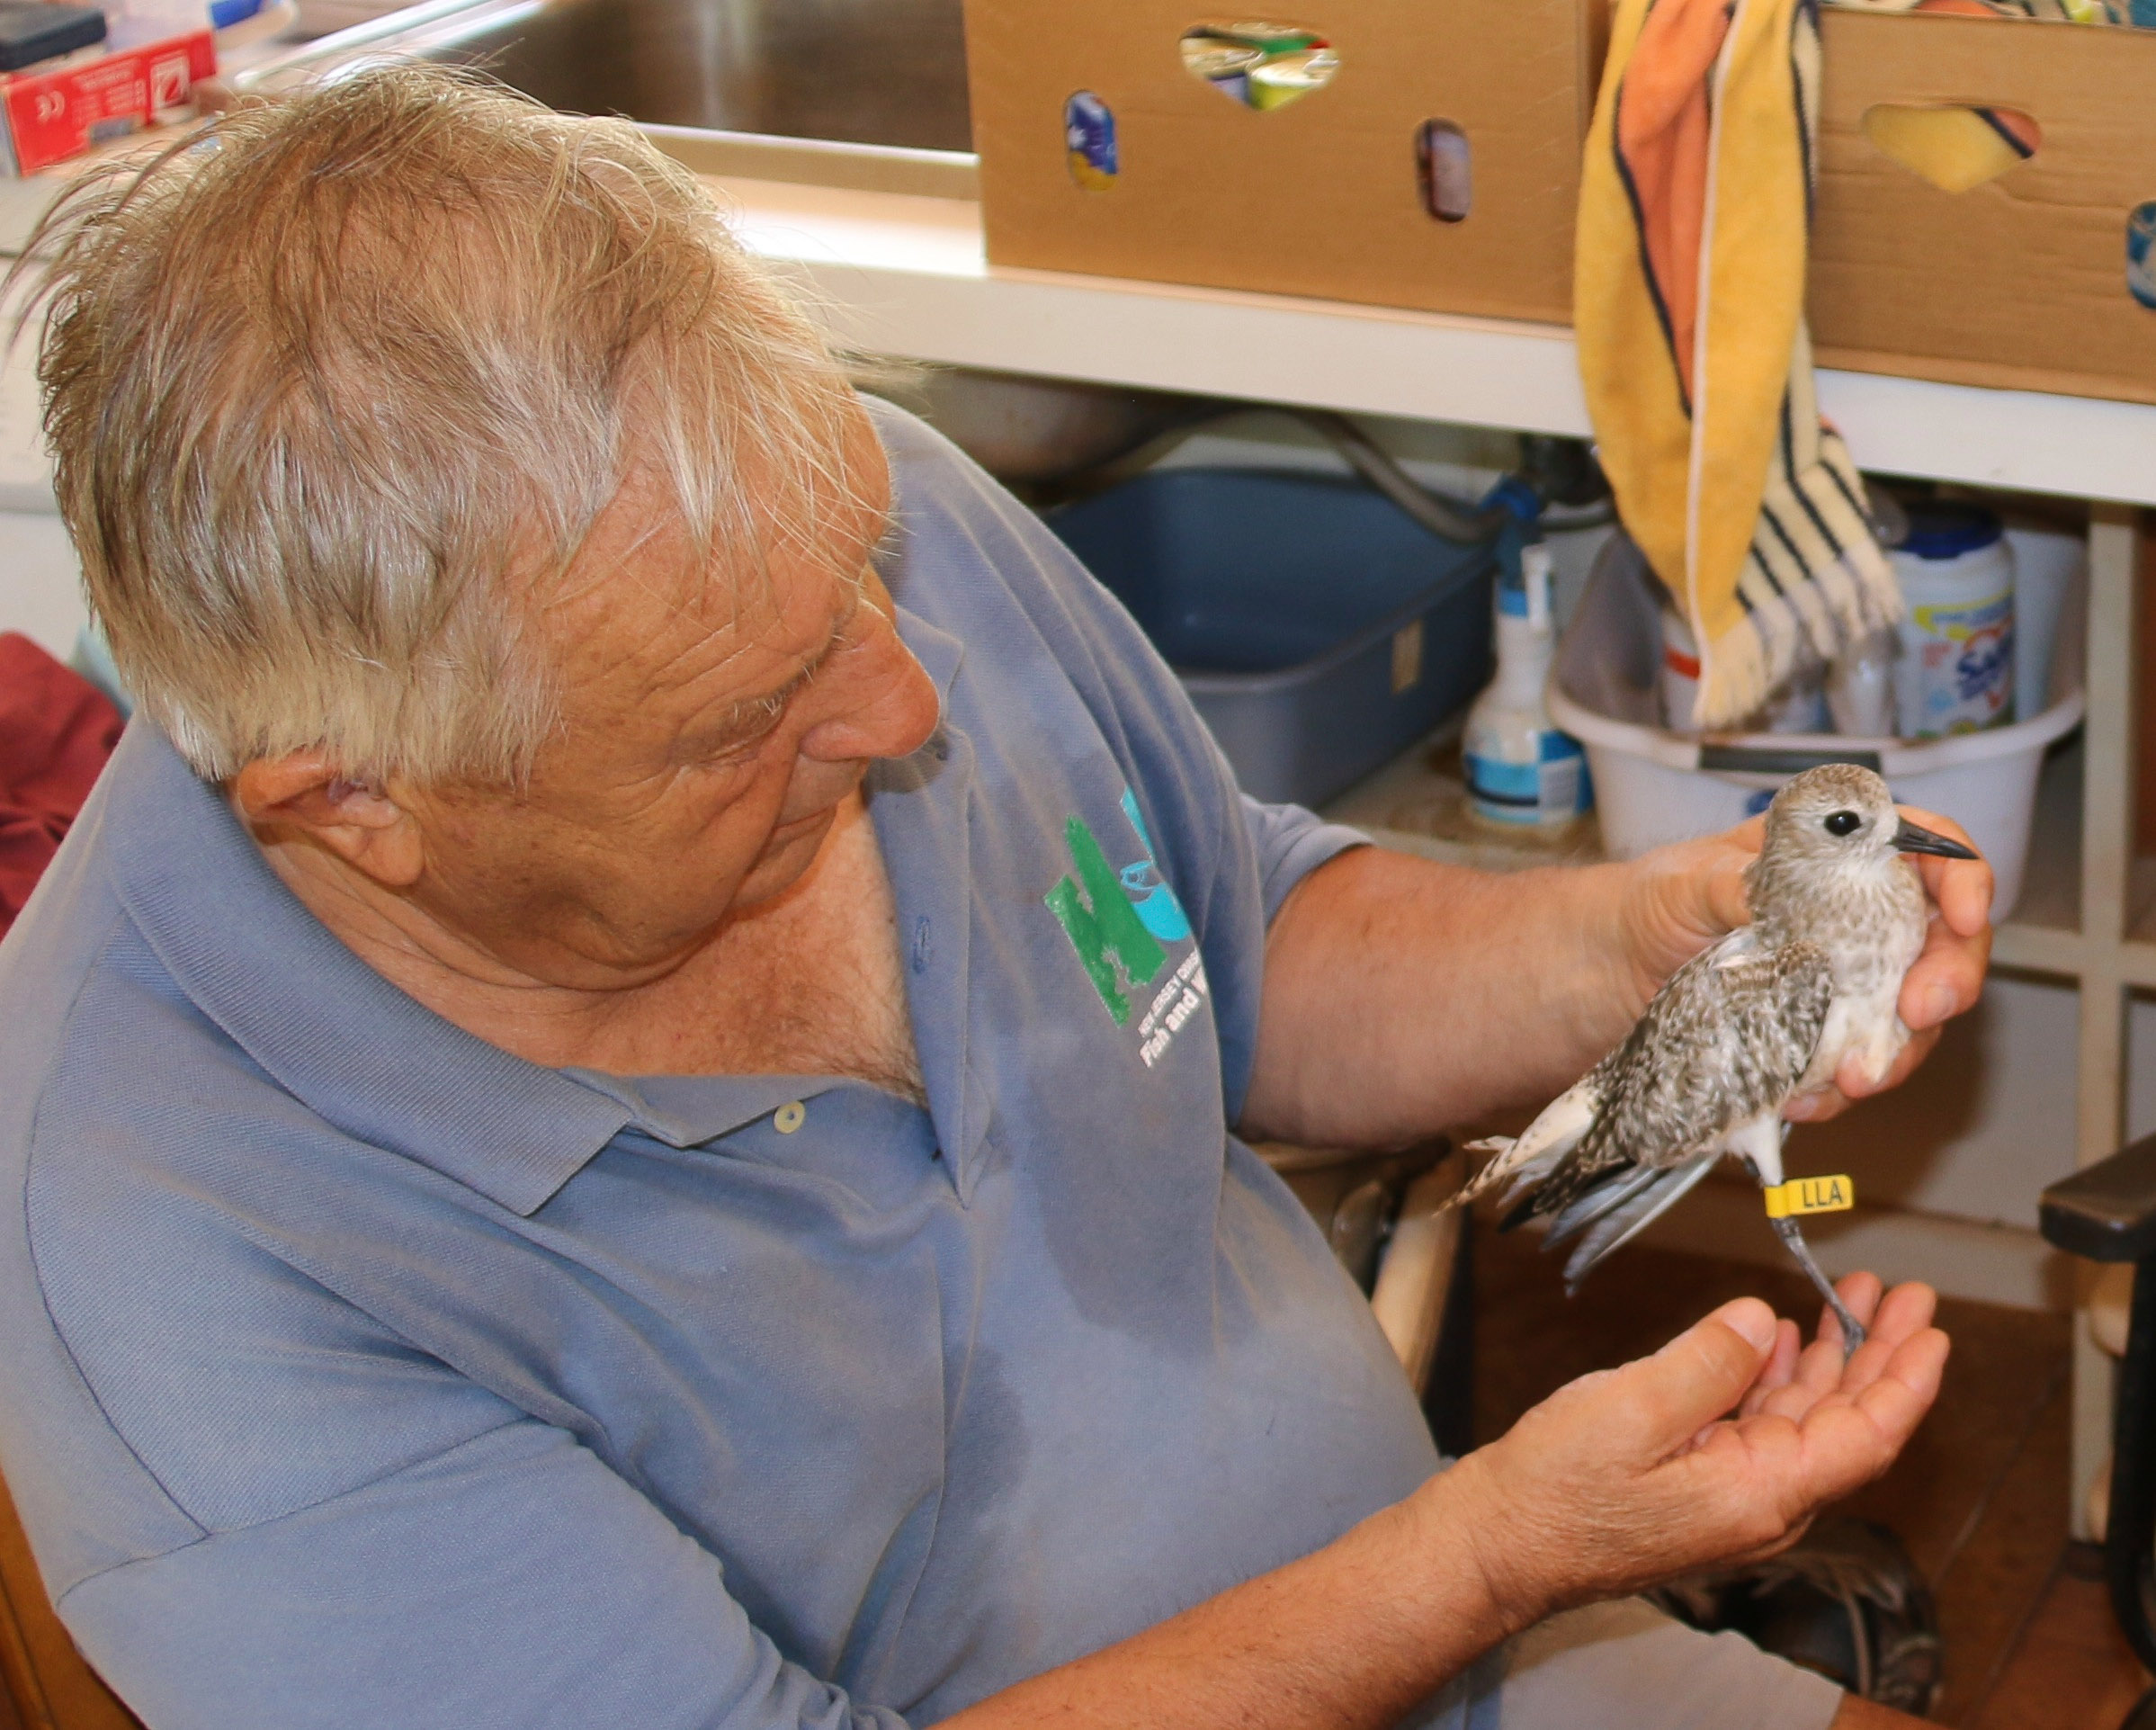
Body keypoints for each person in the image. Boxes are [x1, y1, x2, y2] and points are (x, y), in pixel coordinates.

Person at [0, 67, 1982, 1730]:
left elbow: (1244, 946)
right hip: (1448, 1595)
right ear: (357, 804)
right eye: (747, 720)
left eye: (862, 564)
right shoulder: (168, 1251)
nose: (903, 694)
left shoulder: (806, 523)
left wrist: (1633, 948)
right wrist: (1486, 1547)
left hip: (1471, 1650)